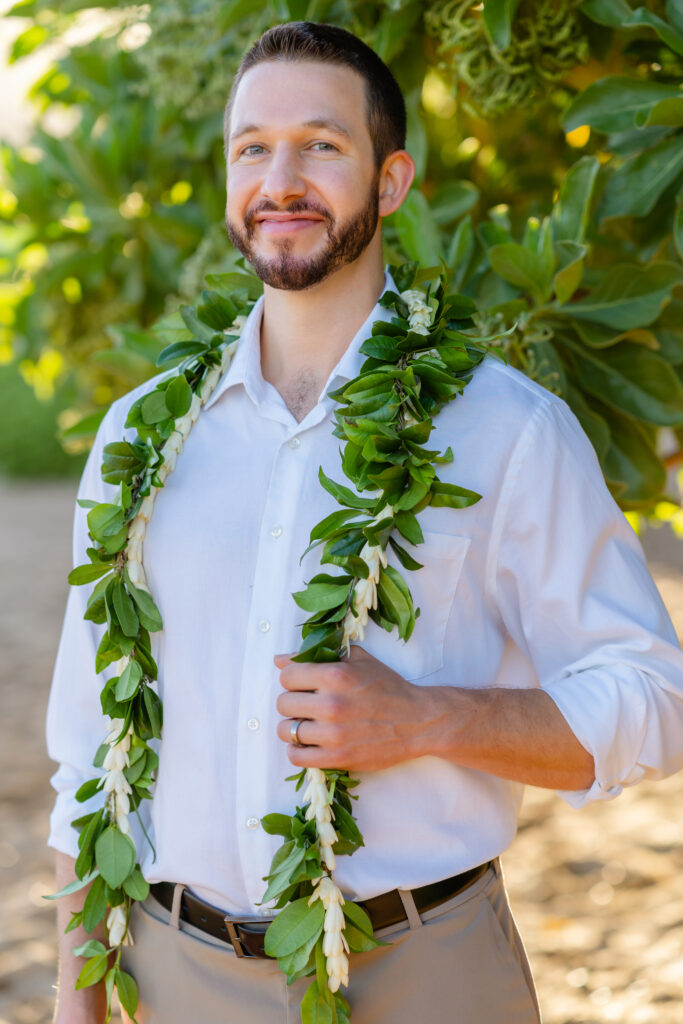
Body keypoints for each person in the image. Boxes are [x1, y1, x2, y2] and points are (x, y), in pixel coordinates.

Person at [48, 21, 683, 1024]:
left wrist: (429, 717)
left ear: (389, 182)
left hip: (424, 971)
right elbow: (88, 749)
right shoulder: (144, 437)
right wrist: (74, 995)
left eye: (321, 144)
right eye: (250, 147)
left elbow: (651, 697)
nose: (280, 177)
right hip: (174, 977)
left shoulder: (504, 428)